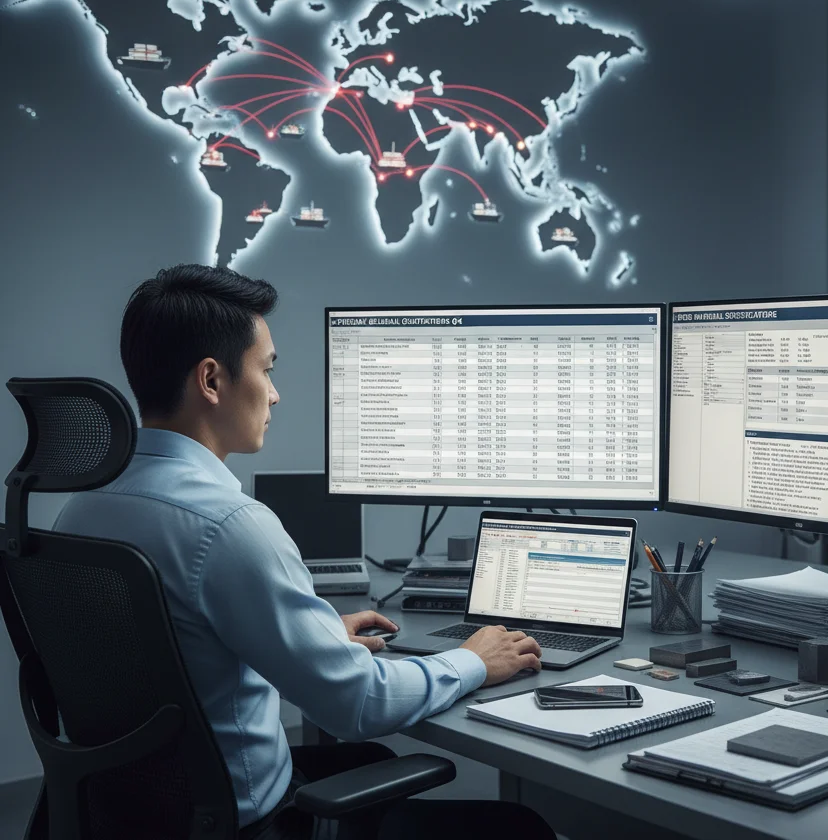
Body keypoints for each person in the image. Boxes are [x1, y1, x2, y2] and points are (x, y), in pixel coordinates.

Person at [52, 264, 553, 840]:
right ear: (212, 381)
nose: (275, 392)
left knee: (366, 769)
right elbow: (357, 706)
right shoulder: (230, 525)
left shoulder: (85, 507)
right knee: (518, 828)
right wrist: (472, 659)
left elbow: (170, 650)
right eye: (266, 370)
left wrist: (312, 635)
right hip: (246, 821)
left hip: (140, 813)